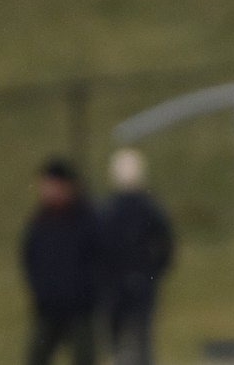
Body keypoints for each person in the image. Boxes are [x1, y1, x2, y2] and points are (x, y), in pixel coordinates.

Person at [22, 158, 101, 365]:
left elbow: (100, 258)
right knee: (36, 357)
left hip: (79, 309)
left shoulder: (86, 219)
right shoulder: (40, 222)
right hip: (48, 308)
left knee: (84, 357)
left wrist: (87, 291)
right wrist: (40, 290)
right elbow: (29, 258)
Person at [97, 149, 173, 365]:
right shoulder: (145, 208)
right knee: (139, 340)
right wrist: (154, 271)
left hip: (121, 285)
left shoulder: (109, 210)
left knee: (122, 339)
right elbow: (165, 243)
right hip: (134, 283)